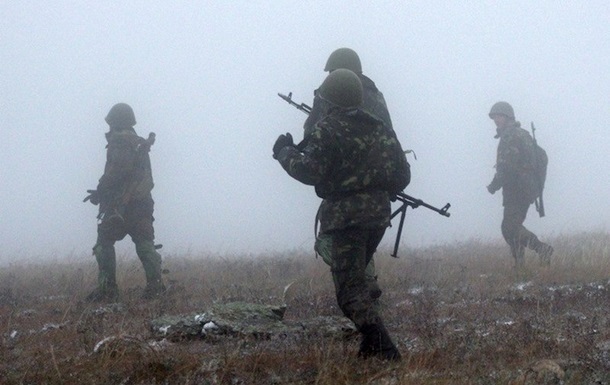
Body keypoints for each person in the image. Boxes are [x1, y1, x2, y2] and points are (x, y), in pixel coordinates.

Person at [273, 69, 409, 360]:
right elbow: (402, 176)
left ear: (330, 99)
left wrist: (284, 152)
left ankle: (383, 347)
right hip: (378, 217)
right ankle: (370, 347)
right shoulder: (380, 127)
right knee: (358, 279)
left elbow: (309, 171)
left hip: (346, 219)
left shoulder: (328, 128)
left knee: (349, 292)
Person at [304, 47, 395, 301]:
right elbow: (389, 136)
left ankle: (362, 282)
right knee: (363, 240)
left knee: (330, 243)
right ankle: (364, 282)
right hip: (378, 186)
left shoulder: (329, 93)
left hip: (344, 190)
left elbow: (311, 135)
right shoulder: (376, 96)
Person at [84, 103, 166, 301]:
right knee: (145, 244)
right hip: (143, 204)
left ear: (115, 122)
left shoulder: (120, 141)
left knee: (103, 244)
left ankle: (107, 290)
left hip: (118, 206)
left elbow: (119, 170)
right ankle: (156, 289)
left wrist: (100, 190)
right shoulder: (138, 143)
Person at [487, 101, 553, 268]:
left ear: (508, 117)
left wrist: (494, 185)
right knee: (509, 227)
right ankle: (520, 265)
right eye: (494, 117)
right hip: (526, 188)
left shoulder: (510, 136)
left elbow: (507, 166)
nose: (496, 120)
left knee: (510, 227)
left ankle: (541, 249)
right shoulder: (521, 134)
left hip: (518, 188)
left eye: (499, 116)